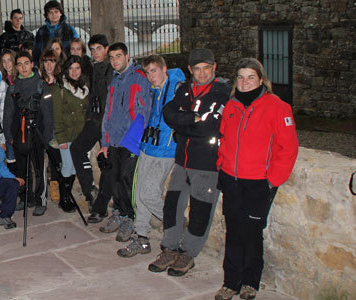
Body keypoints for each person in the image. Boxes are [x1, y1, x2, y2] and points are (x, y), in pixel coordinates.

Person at [214, 58, 298, 300]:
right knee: (233, 231)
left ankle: (250, 282)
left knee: (251, 232)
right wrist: (222, 165)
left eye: (250, 77)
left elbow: (288, 148)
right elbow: (223, 139)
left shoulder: (277, 107)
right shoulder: (231, 105)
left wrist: (271, 180)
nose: (245, 82)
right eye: (240, 77)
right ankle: (230, 283)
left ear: (261, 80)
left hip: (258, 182)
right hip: (231, 179)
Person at [148, 48, 230, 277]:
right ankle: (170, 247)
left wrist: (184, 124)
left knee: (200, 210)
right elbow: (168, 113)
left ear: (214, 68)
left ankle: (189, 253)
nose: (202, 73)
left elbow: (210, 126)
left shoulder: (221, 92)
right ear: (190, 70)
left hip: (206, 162)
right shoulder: (185, 89)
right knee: (172, 205)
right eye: (197, 69)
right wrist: (191, 120)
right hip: (182, 160)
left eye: (206, 68)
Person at [116, 54, 185, 258]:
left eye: (154, 71)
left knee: (148, 194)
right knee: (138, 196)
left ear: (164, 69)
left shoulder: (177, 88)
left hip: (165, 151)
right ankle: (142, 238)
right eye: (147, 72)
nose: (151, 76)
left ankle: (176, 225)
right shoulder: (154, 90)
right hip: (148, 147)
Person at [93, 42, 152, 243]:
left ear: (128, 56)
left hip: (130, 142)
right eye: (112, 57)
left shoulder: (139, 78)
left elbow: (144, 111)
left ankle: (130, 218)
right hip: (114, 141)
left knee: (127, 181)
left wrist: (134, 139)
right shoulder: (115, 81)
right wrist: (105, 142)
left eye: (119, 56)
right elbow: (107, 113)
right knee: (114, 179)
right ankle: (119, 213)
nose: (115, 61)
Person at [3, 52, 53, 216]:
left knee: (39, 169)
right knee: (22, 169)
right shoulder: (13, 88)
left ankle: (40, 200)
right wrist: (9, 135)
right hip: (19, 134)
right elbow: (8, 113)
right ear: (16, 67)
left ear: (32, 64)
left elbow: (48, 112)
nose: (23, 67)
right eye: (20, 64)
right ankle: (26, 198)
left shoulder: (42, 85)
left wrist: (47, 136)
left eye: (26, 63)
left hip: (38, 133)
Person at [75, 34, 112, 221]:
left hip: (107, 121)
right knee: (77, 148)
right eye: (93, 49)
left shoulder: (111, 68)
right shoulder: (92, 67)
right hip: (95, 119)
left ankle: (101, 206)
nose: (96, 52)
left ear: (106, 49)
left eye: (99, 48)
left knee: (108, 164)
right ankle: (90, 190)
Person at [51, 56, 90, 213]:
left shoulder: (85, 88)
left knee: (74, 166)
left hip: (80, 136)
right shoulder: (59, 88)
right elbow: (57, 116)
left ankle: (67, 196)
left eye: (77, 68)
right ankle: (64, 198)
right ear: (66, 70)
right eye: (71, 68)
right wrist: (61, 139)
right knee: (67, 166)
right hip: (66, 134)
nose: (74, 72)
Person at [39, 48, 62, 204]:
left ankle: (55, 185)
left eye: (52, 61)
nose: (49, 65)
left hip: (56, 127)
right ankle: (41, 191)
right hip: (41, 126)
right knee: (41, 162)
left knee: (56, 160)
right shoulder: (38, 82)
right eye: (46, 61)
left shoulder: (61, 82)